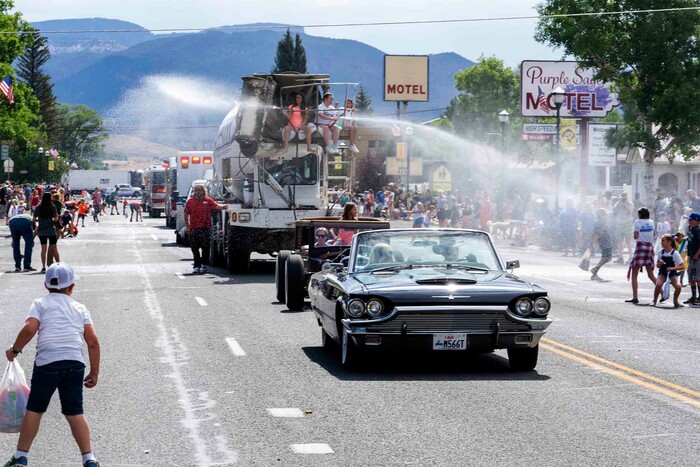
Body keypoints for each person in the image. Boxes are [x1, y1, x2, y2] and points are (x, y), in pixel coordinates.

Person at [3, 263, 101, 467]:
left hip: (47, 362)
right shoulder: (80, 308)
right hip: (75, 363)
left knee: (35, 409)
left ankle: (21, 457)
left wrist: (14, 350)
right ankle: (89, 458)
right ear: (71, 287)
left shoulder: (40, 304)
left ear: (46, 285)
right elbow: (92, 341)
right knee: (74, 411)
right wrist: (94, 371)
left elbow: (30, 328)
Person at [184, 185, 228, 274]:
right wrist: (187, 226)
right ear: (194, 191)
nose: (198, 191)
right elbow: (186, 213)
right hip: (194, 228)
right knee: (194, 248)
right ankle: (197, 266)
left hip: (205, 228)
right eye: (196, 190)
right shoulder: (190, 201)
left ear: (204, 191)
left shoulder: (208, 200)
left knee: (205, 248)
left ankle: (204, 265)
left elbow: (216, 206)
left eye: (200, 190)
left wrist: (224, 207)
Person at [626, 207, 656, 304]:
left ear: (639, 215)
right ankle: (663, 292)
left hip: (640, 247)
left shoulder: (637, 222)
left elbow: (635, 236)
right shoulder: (651, 222)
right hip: (649, 247)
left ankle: (635, 297)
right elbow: (653, 234)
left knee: (634, 273)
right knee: (650, 274)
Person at [652, 234, 684, 307]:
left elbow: (682, 266)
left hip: (672, 273)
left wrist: (672, 268)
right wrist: (659, 263)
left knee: (678, 286)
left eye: (663, 241)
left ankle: (675, 301)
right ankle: (654, 300)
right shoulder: (661, 252)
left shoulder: (674, 253)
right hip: (663, 272)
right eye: (661, 241)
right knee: (658, 284)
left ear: (669, 242)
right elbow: (657, 266)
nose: (661, 243)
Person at [33, 192, 60, 273]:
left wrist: (38, 222)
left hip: (42, 230)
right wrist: (51, 220)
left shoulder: (38, 207)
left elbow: (34, 218)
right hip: (51, 229)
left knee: (43, 249)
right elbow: (56, 218)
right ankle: (59, 264)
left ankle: (43, 266)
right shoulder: (52, 207)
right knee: (54, 248)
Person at [589, 209, 612, 281]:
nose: (606, 216)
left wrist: (594, 241)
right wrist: (597, 239)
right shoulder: (602, 223)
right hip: (605, 241)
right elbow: (601, 232)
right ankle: (595, 269)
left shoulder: (597, 223)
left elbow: (595, 233)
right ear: (601, 216)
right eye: (604, 215)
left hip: (604, 241)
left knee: (607, 258)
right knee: (606, 257)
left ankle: (595, 270)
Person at [685, 212, 700, 305]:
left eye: (691, 219)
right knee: (691, 277)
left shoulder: (698, 230)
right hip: (691, 256)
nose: (689, 221)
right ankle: (693, 296)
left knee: (697, 277)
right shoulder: (691, 229)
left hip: (697, 258)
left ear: (696, 221)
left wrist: (697, 254)